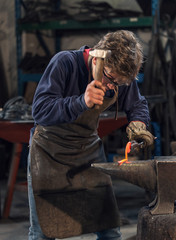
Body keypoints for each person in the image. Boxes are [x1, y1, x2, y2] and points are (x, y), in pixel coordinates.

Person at [27, 30, 154, 240]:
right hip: (49, 153)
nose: (113, 87)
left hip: (88, 152)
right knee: (43, 232)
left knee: (109, 230)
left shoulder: (117, 77)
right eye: (111, 78)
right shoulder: (64, 63)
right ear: (96, 58)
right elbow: (40, 110)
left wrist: (138, 124)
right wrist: (80, 102)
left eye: (119, 83)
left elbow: (137, 103)